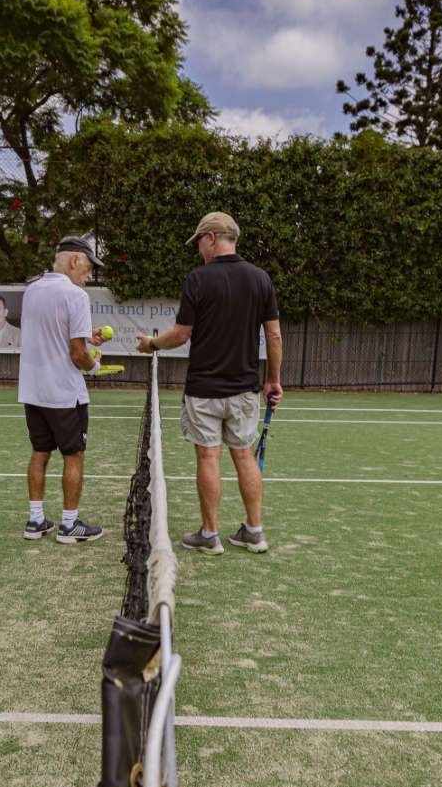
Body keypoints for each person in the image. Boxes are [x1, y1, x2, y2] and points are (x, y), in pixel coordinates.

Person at [134, 211, 283, 554]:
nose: (199, 249)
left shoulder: (198, 279)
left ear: (212, 238)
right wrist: (273, 380)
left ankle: (210, 534)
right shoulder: (261, 279)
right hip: (244, 389)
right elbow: (273, 335)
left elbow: (182, 335)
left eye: (200, 241)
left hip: (204, 391)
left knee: (208, 458)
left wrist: (151, 344)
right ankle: (254, 531)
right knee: (244, 456)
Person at [19, 236, 109, 542]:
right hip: (64, 394)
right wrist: (94, 364)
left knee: (39, 453)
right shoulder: (76, 296)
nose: (90, 275)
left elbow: (57, 337)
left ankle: (35, 521)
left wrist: (87, 342)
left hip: (33, 392)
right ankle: (69, 526)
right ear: (74, 260)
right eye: (89, 267)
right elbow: (76, 354)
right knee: (74, 456)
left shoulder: (32, 291)